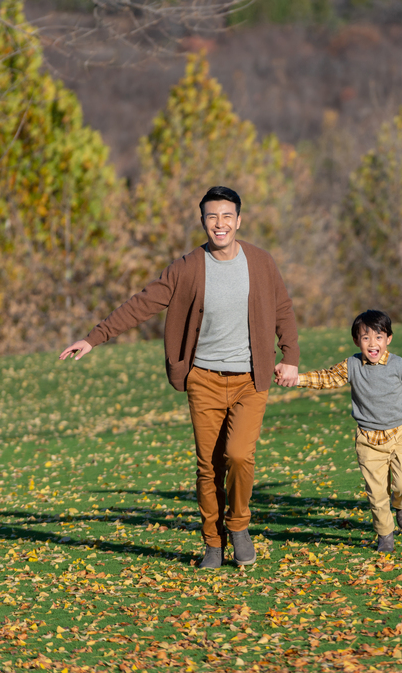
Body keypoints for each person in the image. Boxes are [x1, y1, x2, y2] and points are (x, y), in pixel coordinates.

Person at [60, 186, 300, 568]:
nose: (219, 224)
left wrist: (291, 355)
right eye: (211, 217)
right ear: (203, 221)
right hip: (202, 378)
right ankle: (212, 543)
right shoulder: (187, 267)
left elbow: (282, 308)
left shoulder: (260, 262)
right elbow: (142, 303)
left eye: (226, 217)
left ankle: (238, 525)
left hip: (249, 379)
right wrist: (94, 338)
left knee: (239, 455)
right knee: (209, 465)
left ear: (239, 220)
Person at [283, 310, 402, 553]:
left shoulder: (400, 365)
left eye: (379, 337)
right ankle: (385, 535)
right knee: (377, 494)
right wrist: (297, 379)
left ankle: (401, 504)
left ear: (388, 339)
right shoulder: (351, 365)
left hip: (401, 435)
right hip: (368, 440)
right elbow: (326, 378)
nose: (373, 343)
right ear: (357, 341)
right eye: (365, 338)